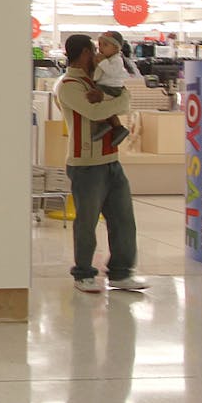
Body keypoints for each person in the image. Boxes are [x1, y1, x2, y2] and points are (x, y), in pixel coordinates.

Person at [54, 34, 150, 294]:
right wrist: (121, 101)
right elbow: (97, 111)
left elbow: (122, 102)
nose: (99, 54)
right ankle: (83, 273)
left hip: (111, 161)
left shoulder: (96, 80)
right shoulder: (69, 84)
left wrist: (119, 101)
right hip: (86, 164)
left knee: (123, 220)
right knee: (86, 222)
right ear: (84, 53)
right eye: (95, 50)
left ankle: (121, 273)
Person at [90, 32, 132, 146]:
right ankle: (117, 127)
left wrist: (102, 61)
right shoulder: (108, 59)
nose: (101, 48)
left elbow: (111, 72)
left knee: (95, 101)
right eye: (99, 44)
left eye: (105, 45)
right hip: (105, 86)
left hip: (111, 88)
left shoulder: (117, 60)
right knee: (108, 109)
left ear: (116, 48)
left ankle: (102, 123)